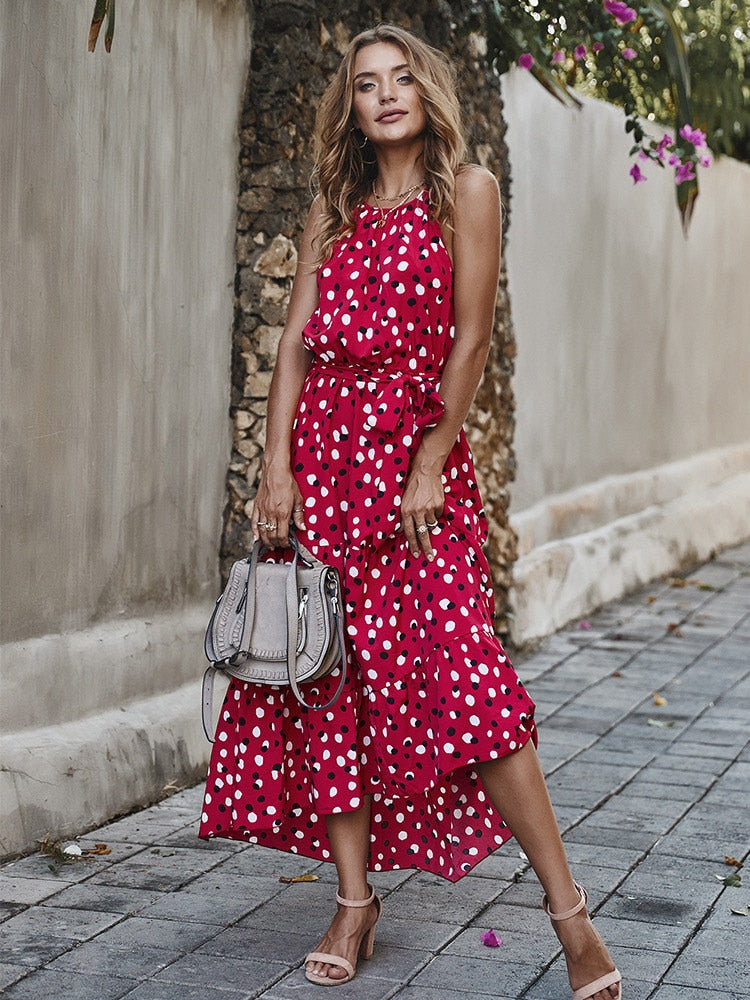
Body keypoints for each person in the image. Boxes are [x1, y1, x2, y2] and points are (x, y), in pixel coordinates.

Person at [200, 23, 622, 1000]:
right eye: (364, 85)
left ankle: (571, 917)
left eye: (401, 80)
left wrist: (433, 454)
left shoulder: (467, 192)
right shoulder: (335, 207)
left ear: (429, 92)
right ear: (348, 107)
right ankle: (353, 901)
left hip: (413, 472)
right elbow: (298, 343)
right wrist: (276, 470)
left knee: (470, 684)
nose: (385, 96)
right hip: (329, 469)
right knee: (328, 684)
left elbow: (472, 339)